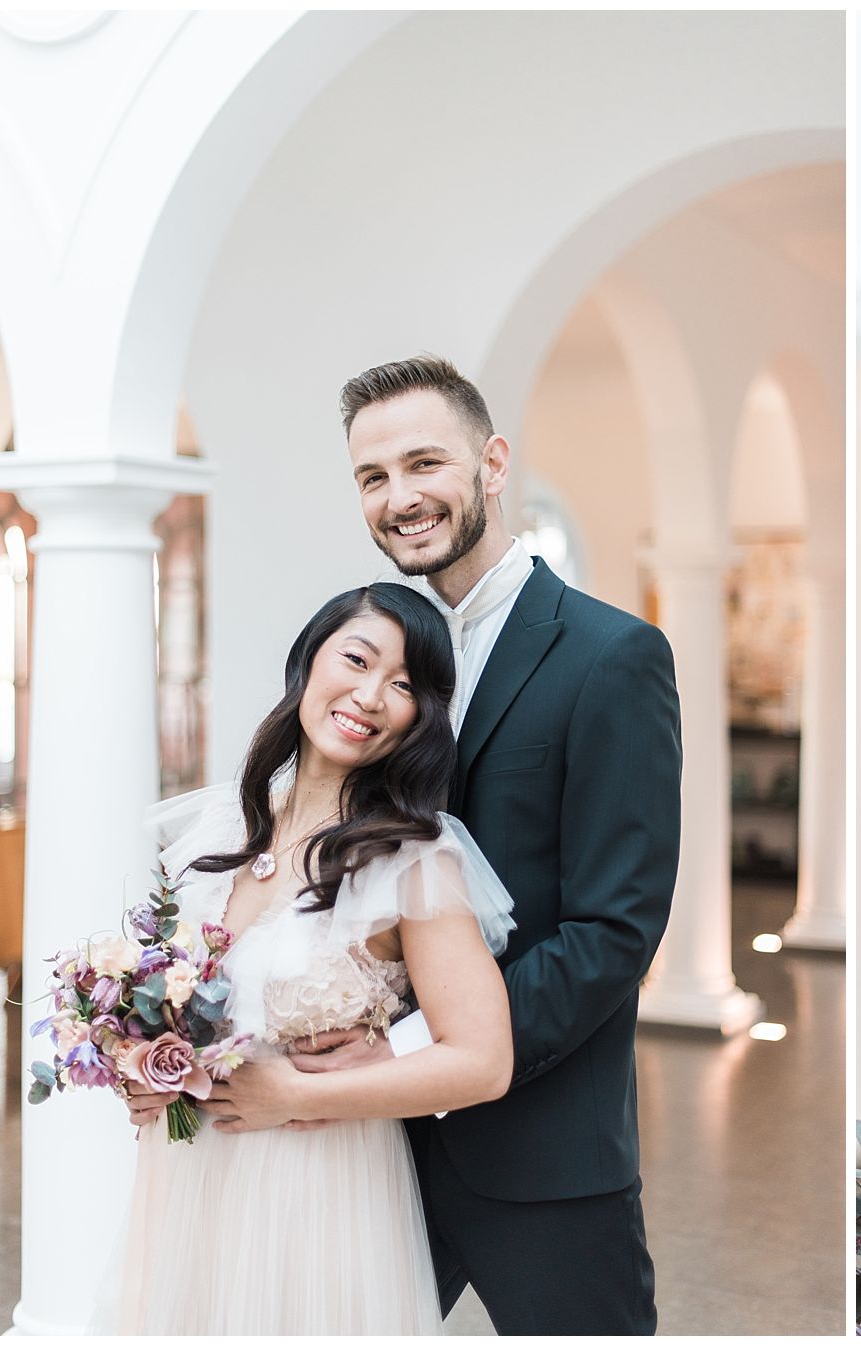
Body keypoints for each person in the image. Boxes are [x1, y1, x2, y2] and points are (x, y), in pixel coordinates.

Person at [160, 355, 682, 1335]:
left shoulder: (612, 656)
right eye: (372, 475)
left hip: (536, 1148)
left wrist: (394, 1048)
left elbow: (615, 930)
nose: (399, 496)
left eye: (423, 463)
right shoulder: (374, 657)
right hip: (343, 1161)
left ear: (491, 462)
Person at [108, 583, 517, 1333]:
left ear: (421, 719)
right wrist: (140, 1068)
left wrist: (293, 1095)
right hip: (189, 1180)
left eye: (403, 686)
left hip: (311, 1192)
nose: (369, 695)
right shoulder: (219, 823)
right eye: (356, 659)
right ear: (309, 660)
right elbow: (162, 998)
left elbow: (483, 1060)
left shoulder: (408, 857)